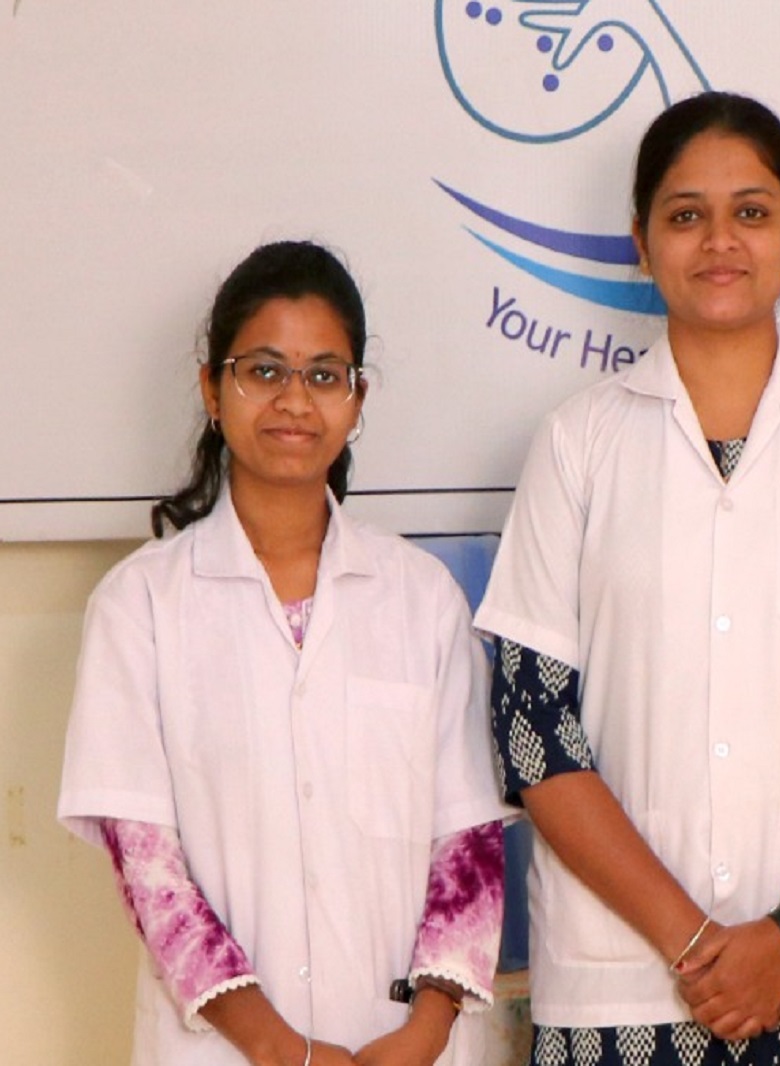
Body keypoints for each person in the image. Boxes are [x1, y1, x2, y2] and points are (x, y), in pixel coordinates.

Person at [474, 91, 780, 1066]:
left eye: (751, 211)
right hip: (620, 985)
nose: (720, 241)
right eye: (685, 214)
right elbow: (533, 731)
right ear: (640, 240)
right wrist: (698, 945)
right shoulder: (579, 441)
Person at [57, 241, 509, 1066]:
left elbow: (468, 845)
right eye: (264, 371)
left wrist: (426, 1031)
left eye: (324, 375)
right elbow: (151, 874)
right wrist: (278, 1049)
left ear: (357, 398)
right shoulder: (140, 605)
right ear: (212, 389)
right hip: (224, 1051)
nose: (294, 401)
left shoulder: (422, 599)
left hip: (404, 1050)